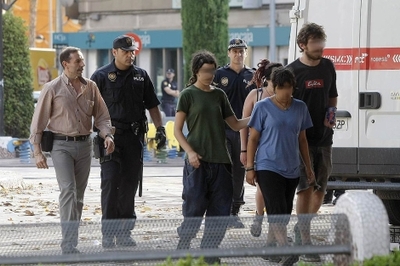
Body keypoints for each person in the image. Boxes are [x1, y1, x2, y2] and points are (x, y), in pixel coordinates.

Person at [30, 46, 115, 254]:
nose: (82, 65)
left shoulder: (91, 87)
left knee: (78, 196)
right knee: (68, 190)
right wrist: (37, 151)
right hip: (61, 146)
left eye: (83, 60)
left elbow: (102, 117)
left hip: (85, 146)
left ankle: (72, 241)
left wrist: (108, 135)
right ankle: (67, 244)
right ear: (65, 64)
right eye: (78, 61)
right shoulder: (52, 88)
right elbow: (38, 121)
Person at [174, 50, 250, 264]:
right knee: (194, 205)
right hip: (197, 162)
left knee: (220, 210)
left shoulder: (219, 95)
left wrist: (255, 116)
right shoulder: (188, 94)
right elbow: (178, 130)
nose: (210, 74)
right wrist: (190, 152)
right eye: (206, 70)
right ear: (196, 71)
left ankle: (209, 251)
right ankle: (184, 244)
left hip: (221, 161)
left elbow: (234, 124)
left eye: (212, 70)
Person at [90, 35, 166, 249]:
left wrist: (160, 129)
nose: (130, 55)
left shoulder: (141, 76)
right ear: (114, 52)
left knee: (129, 185)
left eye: (132, 51)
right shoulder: (101, 76)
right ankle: (108, 233)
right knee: (110, 183)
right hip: (109, 139)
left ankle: (124, 232)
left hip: (134, 138)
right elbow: (91, 109)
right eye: (126, 51)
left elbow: (152, 105)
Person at [246, 67, 315, 265]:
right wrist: (250, 168)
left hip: (291, 168)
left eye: (290, 88)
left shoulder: (300, 107)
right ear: (274, 88)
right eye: (282, 88)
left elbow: (302, 140)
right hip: (267, 166)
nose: (286, 92)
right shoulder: (262, 107)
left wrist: (308, 168)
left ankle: (269, 248)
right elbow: (253, 139)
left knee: (283, 211)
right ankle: (286, 250)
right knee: (276, 209)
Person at [287, 22, 338, 262]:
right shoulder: (292, 71)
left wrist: (331, 114)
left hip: (324, 139)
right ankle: (305, 241)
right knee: (305, 188)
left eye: (322, 43)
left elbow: (332, 95)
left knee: (321, 190)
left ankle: (301, 228)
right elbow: (282, 102)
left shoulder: (328, 66)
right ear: (302, 45)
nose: (320, 48)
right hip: (300, 140)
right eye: (315, 44)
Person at [213, 38, 256, 228]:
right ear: (229, 53)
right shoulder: (219, 74)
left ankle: (235, 210)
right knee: (223, 171)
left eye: (241, 51)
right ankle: (222, 210)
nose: (238, 54)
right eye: (234, 51)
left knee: (240, 170)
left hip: (245, 131)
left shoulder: (253, 75)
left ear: (246, 53)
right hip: (223, 130)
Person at [239, 59, 282, 237]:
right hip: (258, 148)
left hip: (279, 148)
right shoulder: (255, 96)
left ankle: (276, 228)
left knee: (277, 189)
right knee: (263, 186)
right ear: (267, 80)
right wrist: (244, 150)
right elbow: (243, 125)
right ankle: (259, 215)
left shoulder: (286, 97)